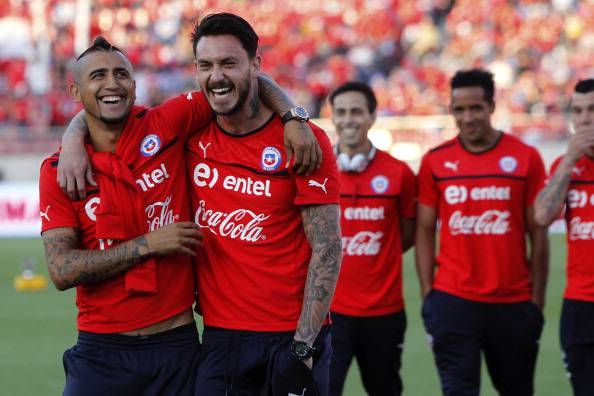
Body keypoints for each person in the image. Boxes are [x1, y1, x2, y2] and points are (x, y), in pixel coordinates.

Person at [45, 35, 322, 395]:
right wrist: (147, 245)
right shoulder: (58, 171)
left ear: (134, 84)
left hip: (177, 349)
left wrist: (292, 116)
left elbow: (240, 82)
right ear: (76, 92)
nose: (112, 83)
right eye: (97, 76)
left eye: (121, 74)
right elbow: (60, 270)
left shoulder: (168, 123)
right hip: (102, 352)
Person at [187, 13, 341, 395]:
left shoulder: (304, 141)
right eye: (205, 65)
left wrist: (304, 345)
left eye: (229, 63)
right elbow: (119, 118)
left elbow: (327, 247)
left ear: (256, 64)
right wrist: (73, 137)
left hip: (292, 336)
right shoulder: (189, 131)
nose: (216, 76)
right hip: (221, 338)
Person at [415, 68, 549, 396]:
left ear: (491, 106)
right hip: (453, 302)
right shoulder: (435, 161)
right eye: (459, 109)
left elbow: (538, 233)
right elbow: (423, 230)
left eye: (476, 108)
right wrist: (428, 296)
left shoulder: (525, 157)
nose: (468, 117)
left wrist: (537, 301)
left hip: (513, 302)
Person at [327, 81, 416, 396]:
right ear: (333, 117)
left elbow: (407, 234)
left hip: (384, 313)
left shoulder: (399, 173)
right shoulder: (318, 172)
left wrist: (381, 252)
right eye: (341, 112)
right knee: (322, 389)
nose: (348, 119)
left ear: (372, 116)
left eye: (356, 112)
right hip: (328, 313)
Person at [534, 78, 594, 396]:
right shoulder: (565, 166)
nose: (585, 119)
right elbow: (542, 216)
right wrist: (569, 161)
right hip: (580, 303)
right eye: (579, 111)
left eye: (593, 110)